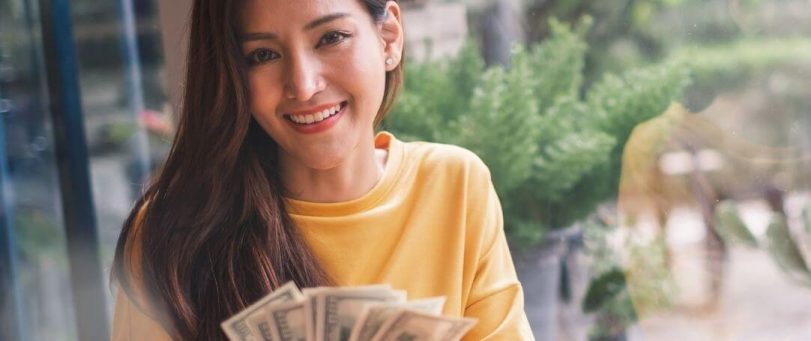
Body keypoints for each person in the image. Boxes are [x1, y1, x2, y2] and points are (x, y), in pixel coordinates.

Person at [109, 0, 533, 339]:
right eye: (263, 54)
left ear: (388, 38)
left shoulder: (457, 187)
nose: (304, 84)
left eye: (332, 37)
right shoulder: (171, 237)